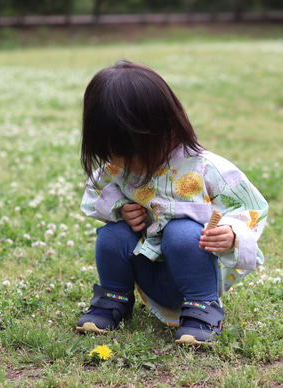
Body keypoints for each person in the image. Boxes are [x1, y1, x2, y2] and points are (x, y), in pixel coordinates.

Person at [76, 59, 268, 345]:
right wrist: (120, 209)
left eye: (134, 153)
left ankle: (203, 307)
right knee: (112, 234)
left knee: (182, 232)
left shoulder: (205, 167)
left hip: (194, 269)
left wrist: (231, 233)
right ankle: (113, 299)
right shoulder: (115, 166)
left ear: (168, 130)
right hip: (145, 268)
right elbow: (96, 195)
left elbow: (249, 207)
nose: (127, 166)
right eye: (113, 151)